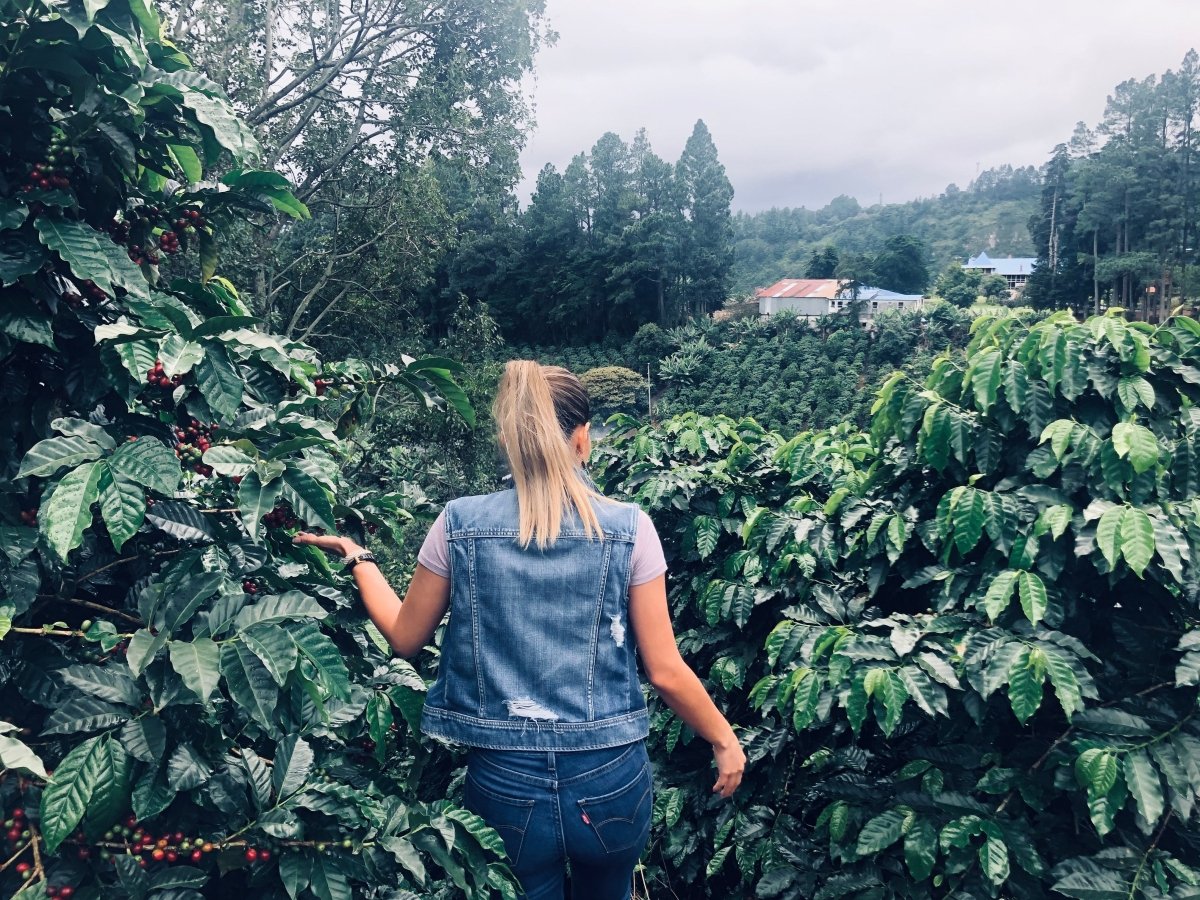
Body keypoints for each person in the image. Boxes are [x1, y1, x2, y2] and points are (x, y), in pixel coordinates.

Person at [294, 361, 745, 900]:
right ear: (582, 438)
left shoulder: (458, 523)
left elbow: (404, 638)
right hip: (610, 778)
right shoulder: (629, 528)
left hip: (505, 784)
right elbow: (665, 671)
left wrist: (360, 558)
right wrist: (723, 739)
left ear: (509, 440)